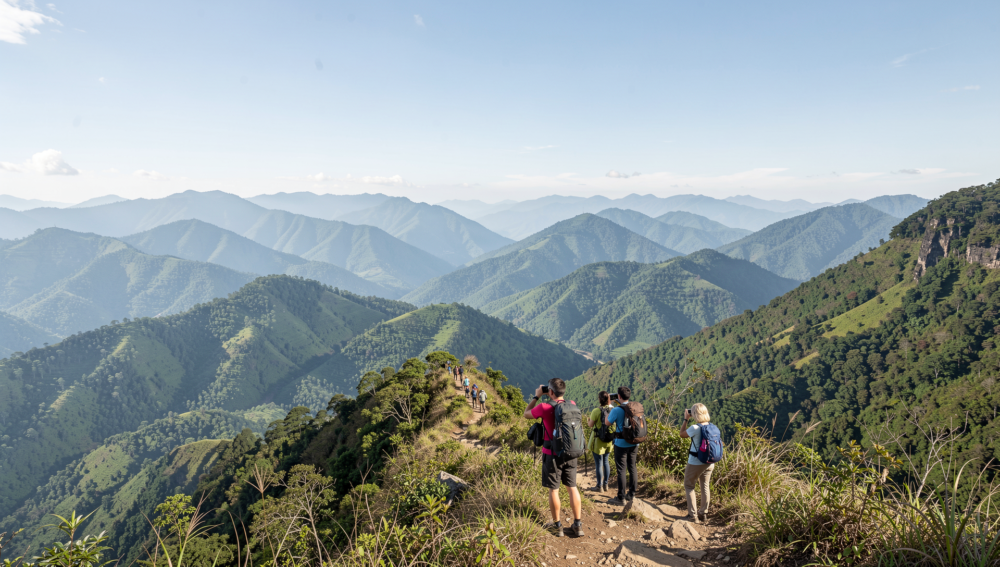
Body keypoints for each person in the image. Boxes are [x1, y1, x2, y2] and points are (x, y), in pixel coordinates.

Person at [522, 378, 583, 538]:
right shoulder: (572, 404)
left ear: (550, 392)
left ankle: (557, 526)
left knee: (554, 490)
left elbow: (526, 414)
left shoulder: (544, 406)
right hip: (571, 452)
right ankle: (577, 525)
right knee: (572, 487)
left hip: (552, 455)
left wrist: (536, 396)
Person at [679, 403, 714, 523]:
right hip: (710, 462)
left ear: (694, 414)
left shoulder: (695, 428)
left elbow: (682, 434)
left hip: (695, 462)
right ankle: (703, 513)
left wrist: (685, 419)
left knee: (689, 486)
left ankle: (692, 515)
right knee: (705, 486)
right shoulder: (712, 426)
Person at [605, 386, 638, 506]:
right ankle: (632, 494)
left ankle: (621, 498)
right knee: (632, 467)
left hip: (621, 443)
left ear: (618, 397)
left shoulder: (616, 410)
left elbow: (607, 423)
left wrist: (609, 407)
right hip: (634, 442)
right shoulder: (634, 408)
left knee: (621, 470)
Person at [586, 391, 614, 493]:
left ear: (599, 399)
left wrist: (589, 420)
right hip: (609, 440)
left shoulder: (596, 411)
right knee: (606, 462)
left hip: (598, 441)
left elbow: (590, 425)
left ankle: (599, 486)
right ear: (609, 399)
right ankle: (606, 484)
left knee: (599, 463)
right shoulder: (613, 409)